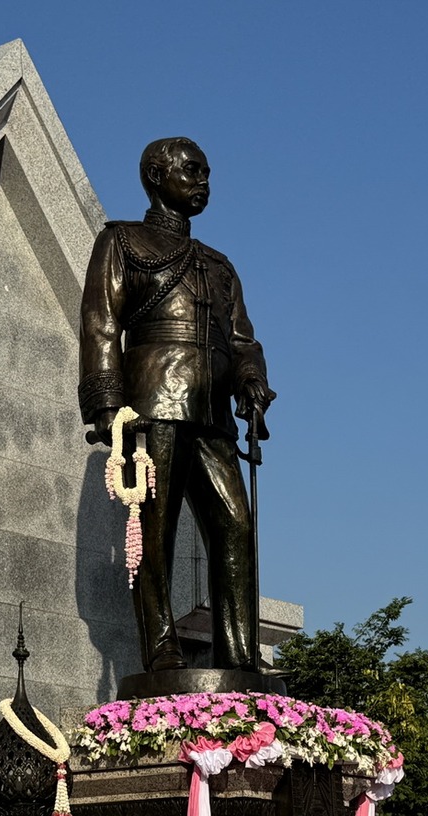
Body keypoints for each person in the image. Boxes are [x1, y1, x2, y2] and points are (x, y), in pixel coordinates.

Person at [78, 137, 276, 676]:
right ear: (155, 174)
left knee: (236, 525)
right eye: (191, 170)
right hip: (153, 404)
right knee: (155, 528)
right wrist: (107, 407)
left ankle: (239, 652)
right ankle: (159, 644)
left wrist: (252, 381)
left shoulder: (219, 265)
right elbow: (101, 323)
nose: (203, 181)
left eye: (207, 172)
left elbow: (241, 342)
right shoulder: (122, 241)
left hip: (212, 415)